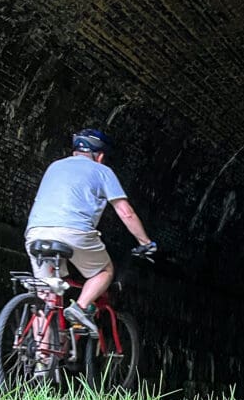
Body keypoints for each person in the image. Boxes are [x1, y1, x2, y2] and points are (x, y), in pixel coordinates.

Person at [25, 128, 156, 335]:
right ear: (101, 156)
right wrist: (145, 242)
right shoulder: (102, 171)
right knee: (104, 272)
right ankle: (81, 307)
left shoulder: (54, 166)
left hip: (36, 233)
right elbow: (125, 212)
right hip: (73, 232)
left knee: (45, 298)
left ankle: (42, 361)